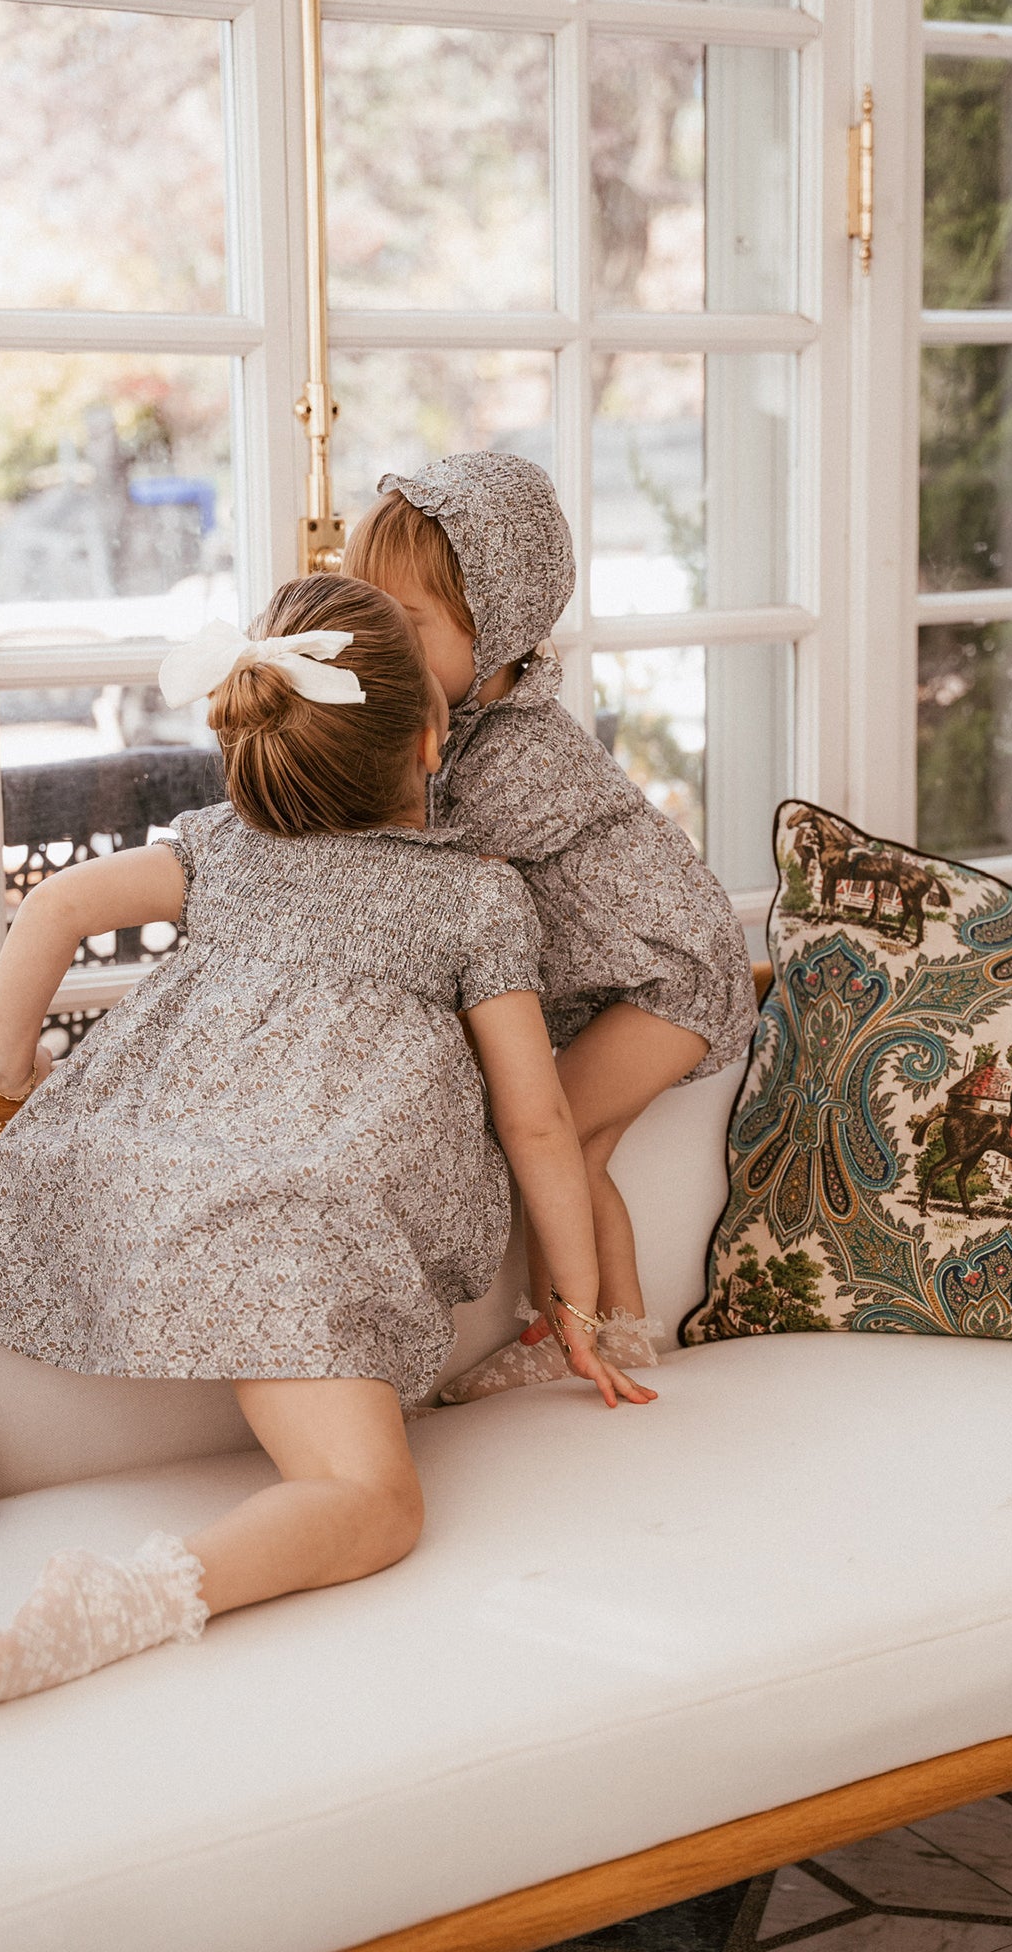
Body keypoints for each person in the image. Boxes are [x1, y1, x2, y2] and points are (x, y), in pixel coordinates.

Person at [0, 573, 652, 1726]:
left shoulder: (222, 848)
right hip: (293, 1223)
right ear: (430, 735)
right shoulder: (475, 897)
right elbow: (539, 1119)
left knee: (358, 1452)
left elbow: (53, 904)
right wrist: (586, 1309)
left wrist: (4, 1072)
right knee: (375, 1503)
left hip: (146, 1183)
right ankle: (137, 1598)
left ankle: (120, 1599)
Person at [342, 453, 758, 1402]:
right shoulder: (472, 722)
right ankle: (619, 1334)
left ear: (496, 630)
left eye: (402, 628)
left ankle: (567, 1331)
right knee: (579, 1148)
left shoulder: (518, 749)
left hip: (670, 975)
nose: (380, 652)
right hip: (648, 971)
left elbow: (421, 860)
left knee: (548, 1134)